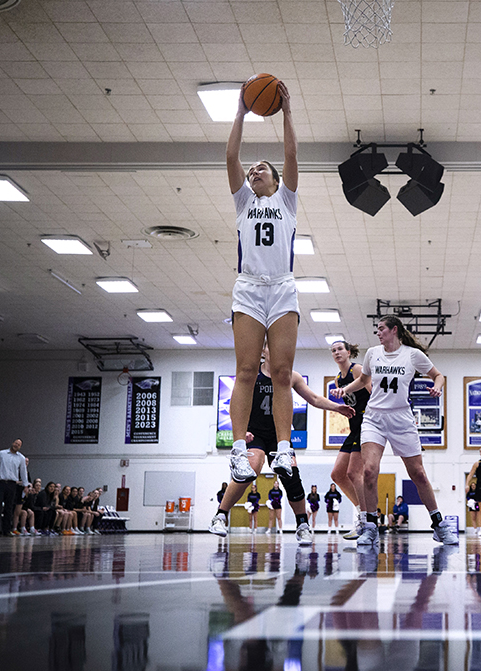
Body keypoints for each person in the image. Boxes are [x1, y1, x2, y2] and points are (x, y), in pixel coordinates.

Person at [224, 78, 300, 491]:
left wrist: (285, 111)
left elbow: (290, 153)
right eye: (252, 170)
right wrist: (240, 111)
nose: (254, 170)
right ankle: (239, 449)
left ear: (275, 180)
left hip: (283, 286)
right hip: (250, 287)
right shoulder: (243, 202)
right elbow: (231, 154)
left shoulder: (286, 199)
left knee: (282, 372)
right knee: (247, 370)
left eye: (262, 169)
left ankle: (284, 447)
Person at [208, 341, 354, 544]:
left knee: (290, 473)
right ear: (263, 351)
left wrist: (337, 408)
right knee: (251, 467)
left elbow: (313, 398)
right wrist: (240, 433)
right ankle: (220, 515)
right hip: (255, 433)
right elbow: (234, 405)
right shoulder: (251, 375)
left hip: (280, 434)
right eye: (270, 346)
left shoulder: (291, 376)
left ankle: (302, 524)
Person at [332, 314, 458, 547]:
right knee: (369, 470)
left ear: (394, 330)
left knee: (418, 473)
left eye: (381, 329)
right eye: (377, 329)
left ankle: (439, 524)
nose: (378, 333)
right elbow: (364, 379)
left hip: (401, 418)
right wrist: (345, 389)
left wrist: (437, 387)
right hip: (374, 418)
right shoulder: (372, 354)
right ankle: (370, 527)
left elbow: (438, 375)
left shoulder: (412, 355)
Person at [328, 340, 371, 540]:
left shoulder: (357, 370)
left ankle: (366, 520)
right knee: (337, 474)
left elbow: (374, 393)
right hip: (353, 428)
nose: (336, 352)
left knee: (354, 473)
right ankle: (363, 510)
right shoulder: (338, 379)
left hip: (367, 425)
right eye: (333, 350)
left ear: (348, 352)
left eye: (339, 349)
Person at [0, 438, 29, 536]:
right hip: (0, 482)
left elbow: (23, 472)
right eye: (15, 443)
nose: (16, 445)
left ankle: (6, 530)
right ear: (12, 443)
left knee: (9, 508)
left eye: (19, 444)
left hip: (12, 484)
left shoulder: (21, 458)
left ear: (20, 447)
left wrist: (25, 485)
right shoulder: (1, 453)